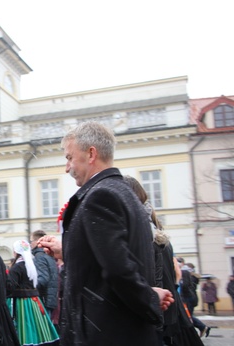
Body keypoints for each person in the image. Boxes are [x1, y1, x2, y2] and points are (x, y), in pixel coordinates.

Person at [37, 121, 173, 345]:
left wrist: (149, 298)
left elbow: (119, 269)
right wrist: (68, 249)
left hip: (105, 333)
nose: (67, 167)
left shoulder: (100, 197)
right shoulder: (124, 193)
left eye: (69, 157)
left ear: (91, 154)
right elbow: (106, 259)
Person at [124, 175, 203, 346]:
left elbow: (155, 279)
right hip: (170, 313)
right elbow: (174, 274)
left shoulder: (142, 233)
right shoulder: (155, 229)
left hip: (160, 316)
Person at [7, 239, 59, 346]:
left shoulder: (17, 267)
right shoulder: (30, 264)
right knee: (35, 325)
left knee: (25, 325)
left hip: (22, 302)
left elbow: (10, 286)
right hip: (34, 301)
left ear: (16, 251)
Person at [30, 230, 59, 320]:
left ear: (37, 242)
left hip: (43, 299)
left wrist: (30, 287)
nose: (30, 244)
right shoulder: (48, 255)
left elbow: (43, 279)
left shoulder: (39, 257)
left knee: (44, 331)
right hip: (50, 298)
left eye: (31, 241)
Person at [178, 258, 210, 337]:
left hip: (187, 298)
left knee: (187, 316)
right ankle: (200, 329)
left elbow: (185, 286)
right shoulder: (192, 276)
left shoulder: (186, 274)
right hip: (190, 297)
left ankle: (200, 328)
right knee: (188, 316)